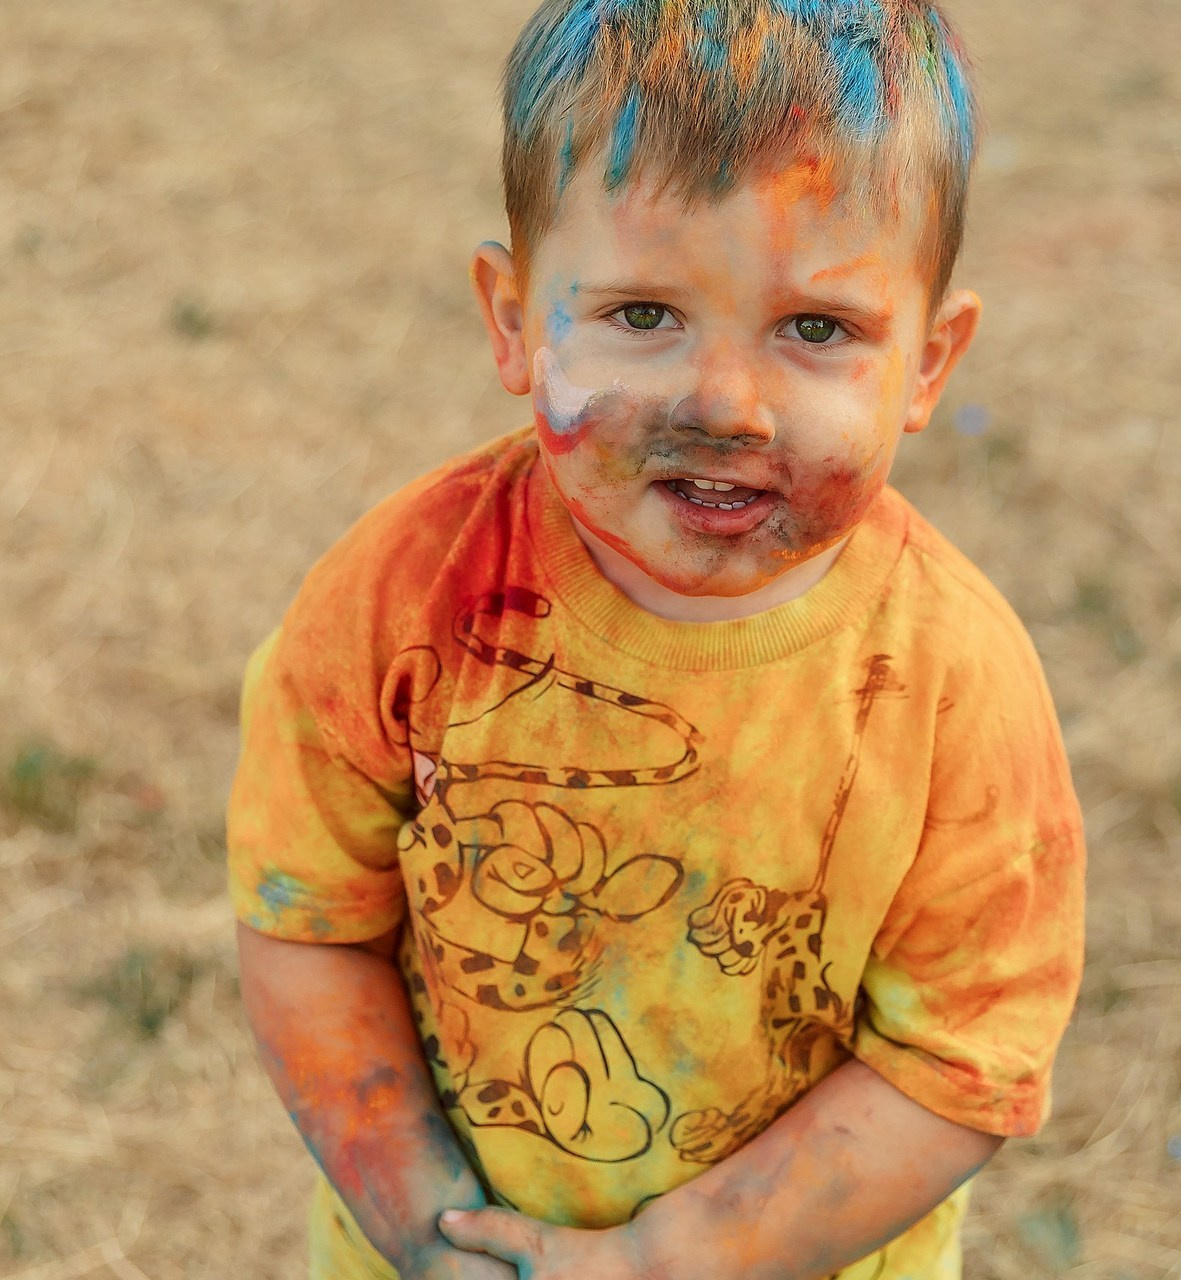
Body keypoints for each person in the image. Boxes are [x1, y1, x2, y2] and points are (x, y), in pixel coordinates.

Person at [227, 2, 1086, 1278]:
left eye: (816, 328)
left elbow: (961, 1057)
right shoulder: (399, 600)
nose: (724, 403)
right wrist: (424, 1220)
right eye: (641, 314)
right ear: (515, 320)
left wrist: (672, 1258)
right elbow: (307, 920)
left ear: (926, 360)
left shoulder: (953, 685)